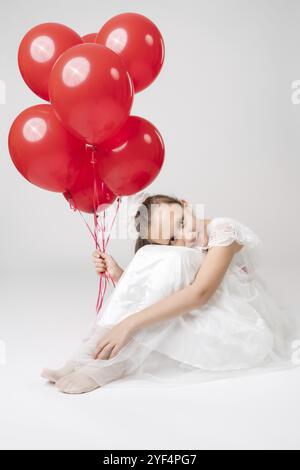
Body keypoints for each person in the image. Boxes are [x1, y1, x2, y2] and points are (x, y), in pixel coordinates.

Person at [41, 194, 298, 394]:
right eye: (172, 239)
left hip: (231, 318)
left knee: (175, 263)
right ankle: (83, 356)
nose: (185, 237)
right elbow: (155, 292)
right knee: (149, 255)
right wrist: (120, 275)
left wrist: (128, 323)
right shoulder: (178, 249)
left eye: (183, 222)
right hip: (190, 305)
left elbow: (200, 293)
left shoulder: (223, 231)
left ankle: (109, 366)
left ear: (187, 205)